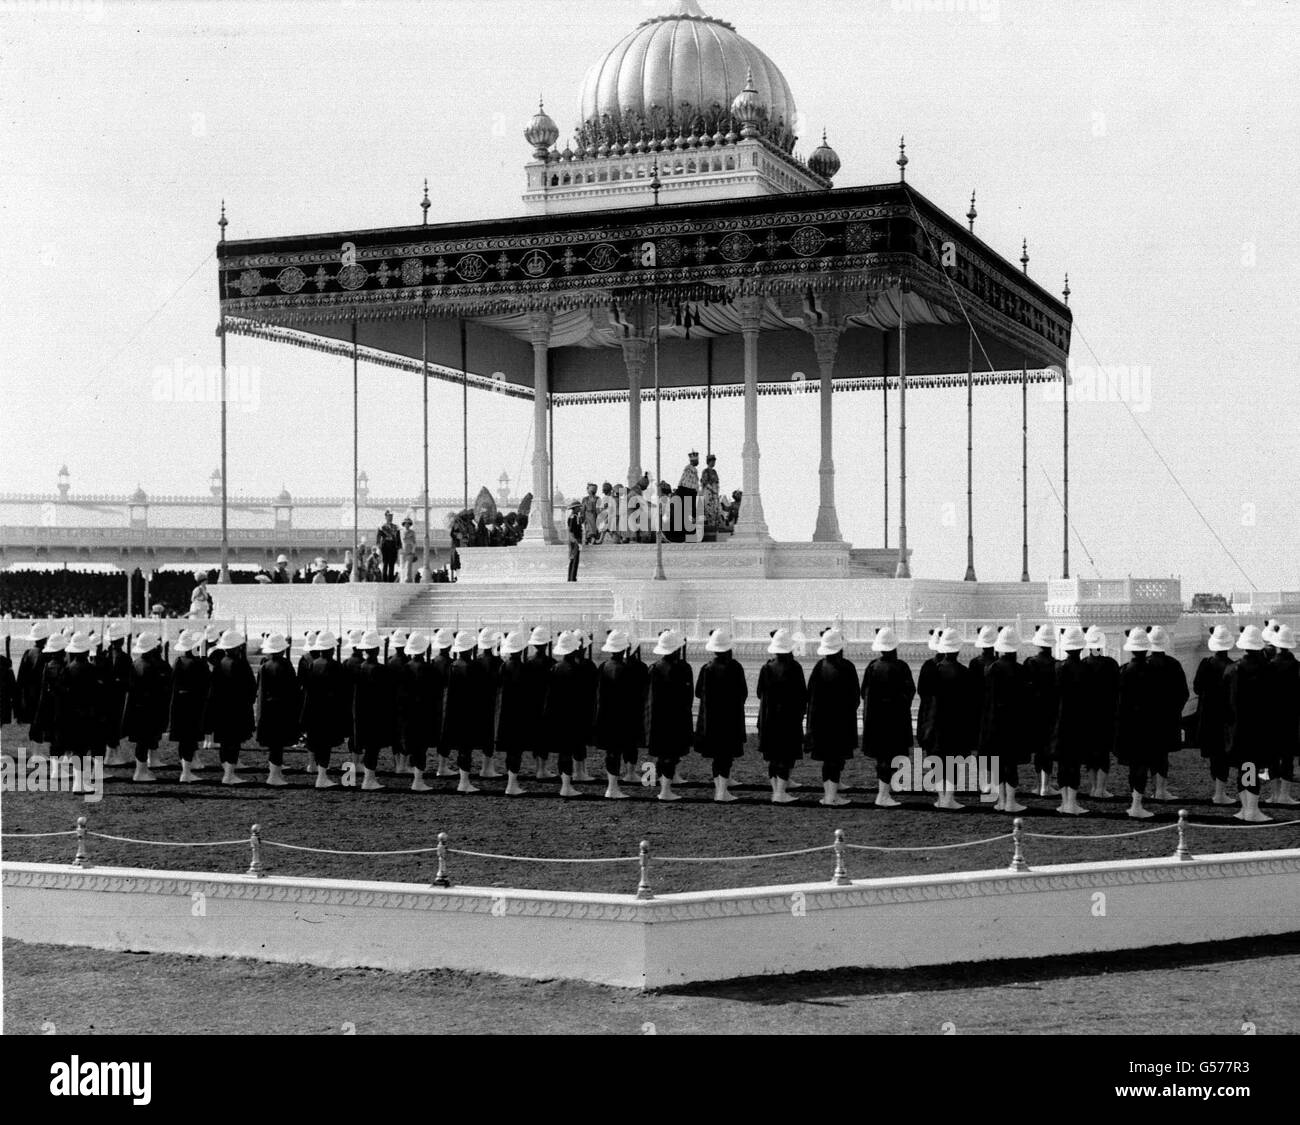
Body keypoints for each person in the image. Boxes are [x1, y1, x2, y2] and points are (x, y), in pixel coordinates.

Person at [1223, 625, 1273, 822]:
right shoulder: (1267, 670)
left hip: (1235, 729)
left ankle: (1245, 808)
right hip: (1257, 729)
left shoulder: (1231, 669)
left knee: (1244, 768)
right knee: (1250, 767)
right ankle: (1252, 810)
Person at [861, 627, 915, 808]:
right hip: (896, 721)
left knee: (882, 759)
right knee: (890, 759)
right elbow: (909, 692)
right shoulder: (901, 667)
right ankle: (883, 796)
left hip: (876, 721)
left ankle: (883, 793)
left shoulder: (872, 667)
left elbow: (864, 693)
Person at [916, 627, 970, 810]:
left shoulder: (932, 670)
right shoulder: (964, 672)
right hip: (956, 723)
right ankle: (949, 799)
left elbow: (924, 697)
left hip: (934, 723)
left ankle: (941, 798)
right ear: (957, 649)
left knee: (938, 761)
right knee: (954, 762)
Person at [977, 627, 1030, 813]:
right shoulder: (1020, 670)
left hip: (994, 724)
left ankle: (1000, 801)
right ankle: (1011, 802)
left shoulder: (991, 669)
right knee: (1011, 764)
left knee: (998, 763)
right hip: (1014, 724)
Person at [806, 627, 860, 807]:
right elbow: (855, 698)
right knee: (836, 760)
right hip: (841, 723)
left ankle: (828, 795)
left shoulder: (818, 667)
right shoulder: (848, 667)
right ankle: (832, 797)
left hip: (821, 723)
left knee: (828, 761)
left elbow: (810, 696)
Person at [694, 627, 749, 803]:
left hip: (711, 720)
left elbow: (698, 693)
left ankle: (719, 789)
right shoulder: (735, 667)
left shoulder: (706, 668)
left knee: (717, 757)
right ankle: (722, 792)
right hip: (730, 719)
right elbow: (743, 693)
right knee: (726, 756)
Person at [1116, 628, 1160, 819]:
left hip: (1129, 726)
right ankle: (1137, 803)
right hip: (1148, 726)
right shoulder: (1153, 671)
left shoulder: (1124, 670)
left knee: (1135, 766)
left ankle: (1135, 802)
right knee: (1142, 765)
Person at [645, 629, 694, 802]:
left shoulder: (654, 668)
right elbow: (688, 697)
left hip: (657, 718)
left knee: (659, 753)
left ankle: (653, 781)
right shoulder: (684, 668)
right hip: (676, 718)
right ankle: (665, 791)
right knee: (671, 755)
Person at [594, 630, 641, 799]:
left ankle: (611, 786)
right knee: (620, 750)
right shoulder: (628, 669)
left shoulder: (603, 667)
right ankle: (614, 788)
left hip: (606, 716)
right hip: (624, 717)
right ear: (623, 649)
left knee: (611, 753)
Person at [206, 630, 256, 786]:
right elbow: (250, 687)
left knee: (225, 742)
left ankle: (227, 773)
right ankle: (229, 775)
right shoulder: (239, 664)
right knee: (233, 742)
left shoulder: (219, 664)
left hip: (221, 709)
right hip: (237, 709)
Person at [1193, 624, 1235, 805]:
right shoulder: (1232, 667)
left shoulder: (1205, 664)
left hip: (1208, 715)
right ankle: (1220, 792)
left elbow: (1196, 687)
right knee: (1223, 756)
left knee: (1214, 755)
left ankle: (1218, 791)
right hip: (1225, 717)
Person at [298, 631, 347, 788]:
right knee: (325, 745)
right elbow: (340, 691)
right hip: (329, 710)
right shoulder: (335, 666)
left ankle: (320, 774)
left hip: (314, 708)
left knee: (317, 742)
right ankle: (322, 777)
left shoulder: (313, 664)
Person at [1146, 625, 1189, 802]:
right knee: (1162, 756)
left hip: (1147, 718)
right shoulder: (1173, 664)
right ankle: (1161, 790)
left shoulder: (1144, 664)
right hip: (1168, 718)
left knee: (1149, 755)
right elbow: (1184, 693)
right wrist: (1174, 712)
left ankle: (1150, 789)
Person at [544, 631, 589, 798]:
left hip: (557, 715)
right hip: (574, 716)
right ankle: (567, 786)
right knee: (570, 751)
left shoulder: (555, 668)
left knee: (563, 752)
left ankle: (565, 785)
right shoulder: (578, 670)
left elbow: (549, 696)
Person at [1051, 626, 1090, 815]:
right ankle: (1072, 804)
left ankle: (1064, 802)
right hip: (1079, 721)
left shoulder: (1058, 667)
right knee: (1073, 764)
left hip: (1060, 721)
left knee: (1063, 765)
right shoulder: (1085, 669)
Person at [124, 631, 172, 783]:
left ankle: (142, 769)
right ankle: (140, 772)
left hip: (138, 708)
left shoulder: (136, 663)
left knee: (142, 741)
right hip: (149, 709)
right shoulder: (151, 666)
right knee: (144, 742)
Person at [441, 630, 483, 793]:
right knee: (466, 749)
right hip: (467, 711)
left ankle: (463, 780)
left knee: (460, 748)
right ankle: (464, 782)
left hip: (453, 710)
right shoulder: (472, 667)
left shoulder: (453, 665)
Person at [256, 632, 300, 787]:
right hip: (282, 709)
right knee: (278, 745)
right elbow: (293, 689)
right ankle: (274, 776)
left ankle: (275, 773)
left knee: (274, 744)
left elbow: (260, 692)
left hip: (268, 710)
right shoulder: (285, 665)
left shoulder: (264, 666)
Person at [1081, 627, 1120, 798]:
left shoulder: (1082, 664)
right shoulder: (1111, 664)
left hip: (1087, 716)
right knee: (1103, 753)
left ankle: (1093, 787)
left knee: (1090, 754)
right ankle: (1101, 789)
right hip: (1106, 716)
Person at [352, 630, 393, 791]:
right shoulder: (380, 669)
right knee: (373, 748)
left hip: (362, 712)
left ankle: (368, 778)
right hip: (376, 713)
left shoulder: (360, 667)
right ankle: (369, 780)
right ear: (376, 650)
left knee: (368, 746)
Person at [60, 632, 104, 781]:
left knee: (78, 749)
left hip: (72, 714)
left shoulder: (67, 669)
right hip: (90, 714)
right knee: (92, 748)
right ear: (86, 651)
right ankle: (87, 780)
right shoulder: (92, 669)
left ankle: (78, 783)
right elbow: (98, 695)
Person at [169, 630, 210, 784]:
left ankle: (186, 770)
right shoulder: (200, 663)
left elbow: (172, 682)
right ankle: (186, 772)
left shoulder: (178, 661)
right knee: (190, 738)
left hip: (179, 704)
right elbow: (206, 684)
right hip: (194, 705)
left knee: (183, 739)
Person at [396, 631, 436, 792]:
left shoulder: (405, 667)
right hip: (423, 712)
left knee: (411, 744)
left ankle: (414, 776)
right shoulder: (428, 668)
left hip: (407, 713)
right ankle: (418, 781)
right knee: (421, 748)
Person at [494, 631, 532, 796]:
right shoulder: (524, 668)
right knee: (516, 751)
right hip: (519, 713)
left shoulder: (504, 666)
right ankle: (512, 784)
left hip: (505, 713)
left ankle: (511, 783)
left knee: (511, 750)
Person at [1025, 624, 1060, 797]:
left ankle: (1039, 785)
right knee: (1048, 749)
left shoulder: (1030, 663)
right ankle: (1046, 785)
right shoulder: (1056, 664)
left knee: (1039, 749)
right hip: (1051, 712)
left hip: (1034, 712)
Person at [1268, 624, 1299, 806]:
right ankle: (1285, 795)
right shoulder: (1297, 667)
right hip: (1291, 717)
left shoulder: (1269, 667)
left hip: (1271, 717)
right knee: (1288, 756)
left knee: (1272, 756)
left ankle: (1274, 794)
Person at [522, 627, 555, 779]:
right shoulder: (551, 662)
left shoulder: (528, 662)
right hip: (547, 704)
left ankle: (538, 768)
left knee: (536, 736)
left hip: (531, 703)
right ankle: (542, 769)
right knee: (545, 737)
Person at [95, 622, 132, 761]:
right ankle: (111, 753)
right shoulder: (106, 656)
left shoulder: (108, 656)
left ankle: (113, 751)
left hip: (113, 696)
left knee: (113, 724)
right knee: (112, 724)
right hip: (112, 696)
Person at [473, 628, 503, 779]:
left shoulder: (477, 660)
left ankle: (484, 767)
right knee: (489, 735)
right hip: (492, 700)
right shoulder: (497, 662)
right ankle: (487, 767)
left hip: (478, 700)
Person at [429, 628, 456, 776]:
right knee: (445, 734)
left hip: (435, 700)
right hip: (447, 700)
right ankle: (442, 766)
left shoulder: (434, 661)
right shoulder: (450, 663)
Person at [15, 620, 50, 732]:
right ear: (45, 639)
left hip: (28, 697)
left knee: (25, 737)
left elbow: (20, 680)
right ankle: (35, 750)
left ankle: (23, 751)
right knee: (39, 735)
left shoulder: (28, 654)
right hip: (41, 698)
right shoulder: (47, 655)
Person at [678, 450, 700, 535]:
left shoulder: (692, 470)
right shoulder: (689, 469)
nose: (698, 461)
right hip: (688, 492)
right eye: (697, 460)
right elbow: (687, 483)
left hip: (690, 492)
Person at [376, 510, 401, 582]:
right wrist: (378, 546)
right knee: (385, 563)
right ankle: (384, 580)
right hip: (385, 546)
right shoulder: (382, 527)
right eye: (389, 516)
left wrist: (399, 547)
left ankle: (390, 580)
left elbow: (398, 538)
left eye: (391, 516)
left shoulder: (396, 527)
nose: (390, 517)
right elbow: (378, 538)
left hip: (393, 546)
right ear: (385, 517)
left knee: (392, 564)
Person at [700, 455, 722, 533]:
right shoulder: (705, 471)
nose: (713, 463)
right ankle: (710, 525)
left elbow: (717, 482)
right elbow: (705, 482)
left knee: (716, 509)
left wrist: (716, 490)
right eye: (712, 461)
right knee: (709, 510)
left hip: (715, 492)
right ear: (709, 462)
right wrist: (712, 489)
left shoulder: (714, 471)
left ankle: (715, 526)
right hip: (708, 492)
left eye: (714, 461)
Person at [566, 500, 582, 582]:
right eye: (578, 507)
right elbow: (572, 530)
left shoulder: (575, 516)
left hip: (575, 540)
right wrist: (576, 541)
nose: (580, 508)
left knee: (574, 559)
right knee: (574, 559)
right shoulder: (573, 517)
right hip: (574, 540)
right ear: (575, 508)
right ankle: (572, 578)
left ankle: (572, 577)